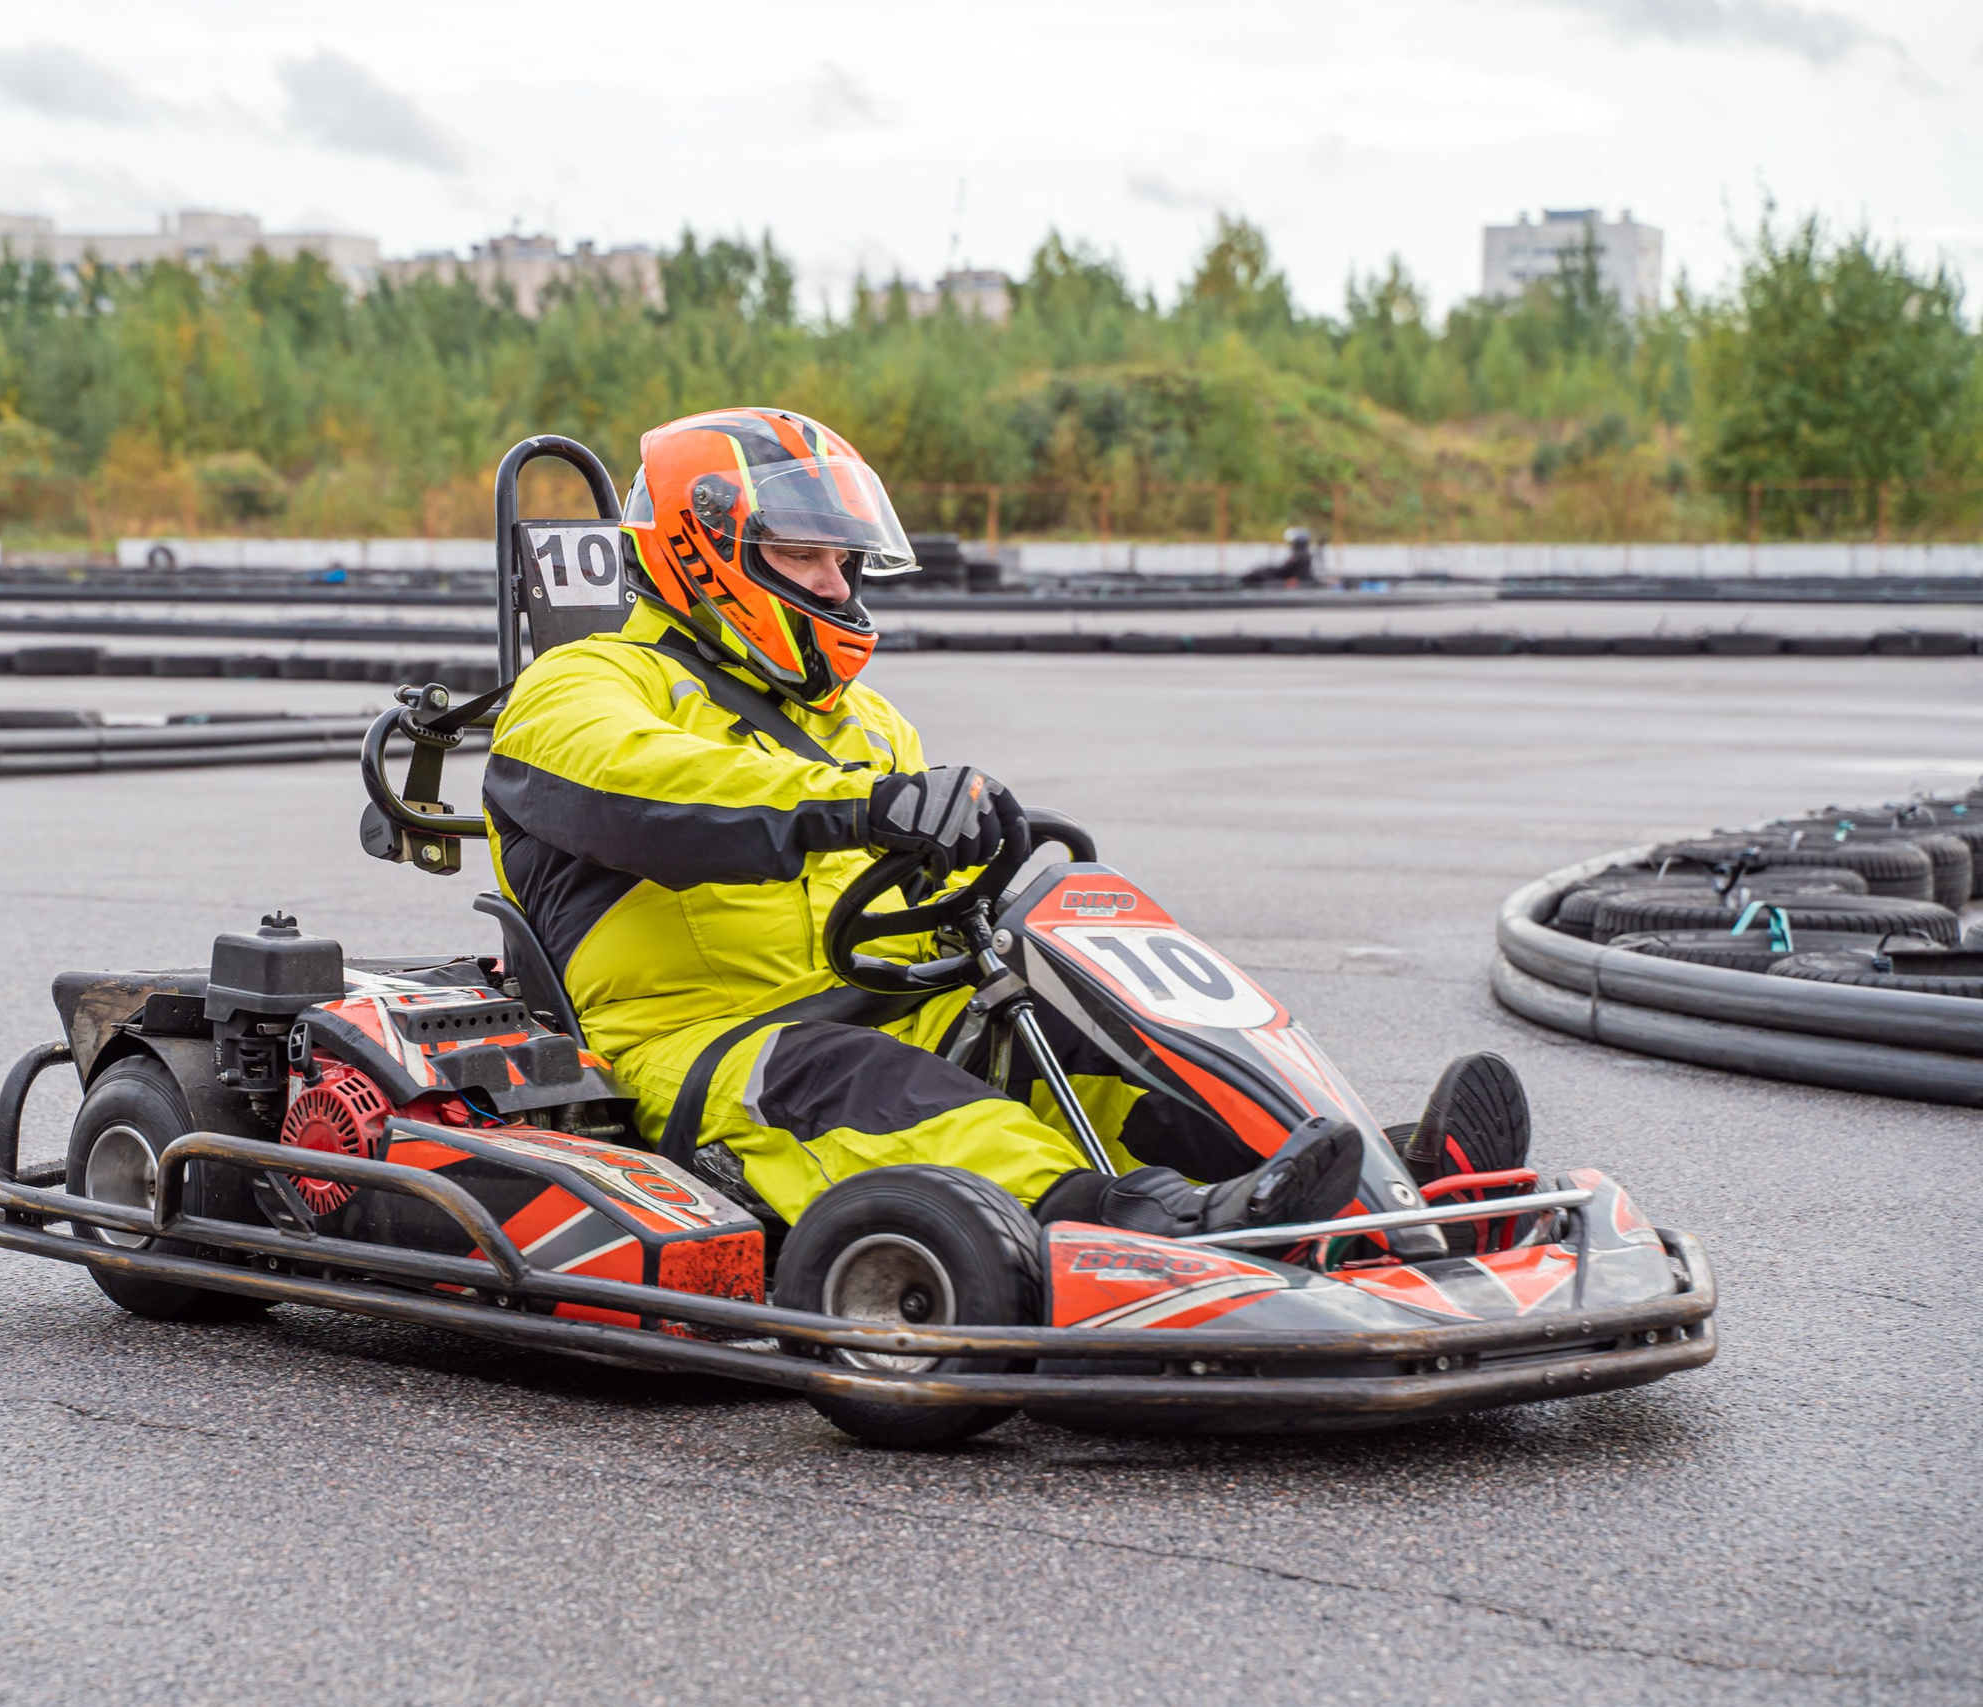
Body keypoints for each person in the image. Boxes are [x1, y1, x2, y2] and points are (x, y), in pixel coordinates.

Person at [484, 406, 1525, 1237]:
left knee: (1087, 1055)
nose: (834, 584)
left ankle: (1365, 1189)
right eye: (807, 558)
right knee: (910, 1102)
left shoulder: (861, 721)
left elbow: (901, 881)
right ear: (708, 552)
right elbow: (646, 792)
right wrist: (857, 808)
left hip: (885, 1000)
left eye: (844, 563)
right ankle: (1144, 1232)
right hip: (709, 1045)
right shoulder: (581, 686)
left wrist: (967, 851)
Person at [1241, 526, 1319, 587]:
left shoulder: (1300, 556)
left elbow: (1284, 571)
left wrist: (1268, 570)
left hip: (1283, 579)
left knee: (1258, 574)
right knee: (1261, 571)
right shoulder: (1302, 555)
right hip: (1282, 576)